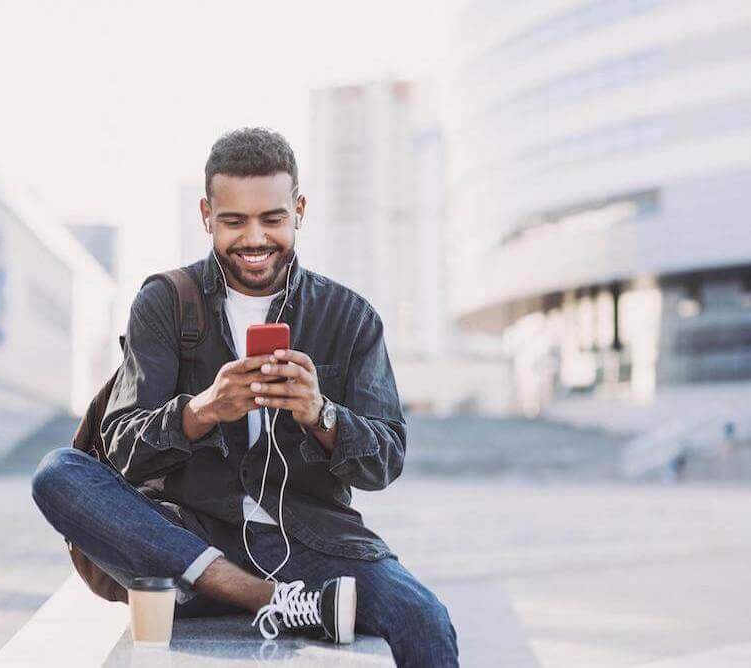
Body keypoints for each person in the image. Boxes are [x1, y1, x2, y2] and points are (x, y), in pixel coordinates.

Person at [32, 127, 458, 666]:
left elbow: (386, 461)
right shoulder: (164, 302)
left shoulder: (349, 318)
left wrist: (320, 414)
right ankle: (274, 602)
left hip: (315, 545)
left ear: (298, 210)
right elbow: (119, 448)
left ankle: (297, 599)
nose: (254, 239)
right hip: (187, 544)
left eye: (272, 219)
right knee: (57, 473)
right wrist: (203, 410)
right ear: (207, 215)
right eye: (234, 221)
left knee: (425, 619)